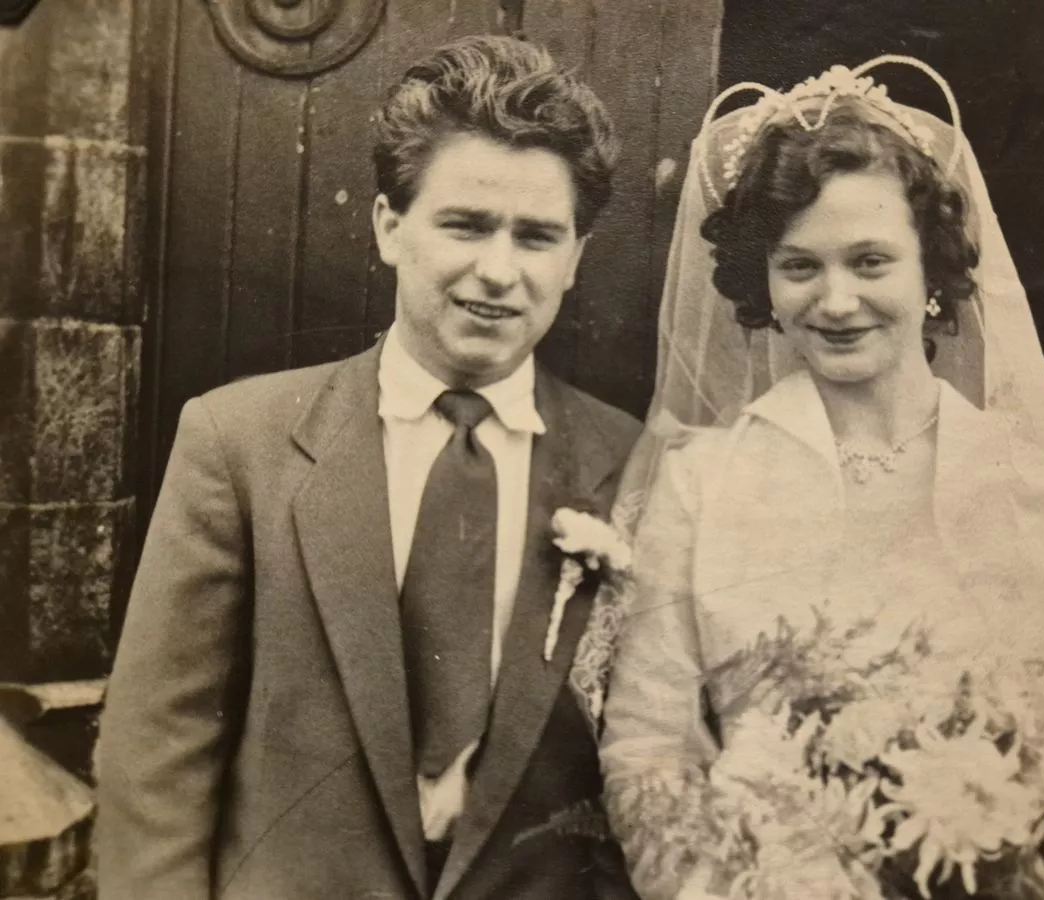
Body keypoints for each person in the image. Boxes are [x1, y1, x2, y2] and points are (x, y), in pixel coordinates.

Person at [596, 58, 1044, 899]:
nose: (836, 302)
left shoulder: (1021, 475)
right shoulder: (704, 481)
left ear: (932, 274)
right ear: (761, 280)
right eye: (800, 267)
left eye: (871, 261)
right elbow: (646, 749)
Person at [96, 35, 641, 900]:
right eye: (464, 224)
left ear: (575, 259)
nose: (498, 271)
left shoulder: (636, 466)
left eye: (537, 237)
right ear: (390, 227)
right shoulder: (240, 442)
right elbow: (154, 756)